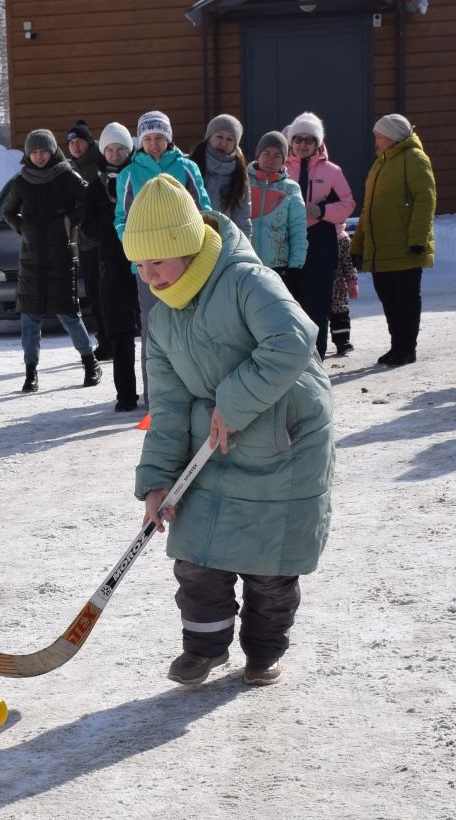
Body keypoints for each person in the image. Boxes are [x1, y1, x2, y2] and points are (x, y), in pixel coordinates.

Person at [121, 174, 332, 688]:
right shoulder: (164, 319)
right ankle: (205, 649)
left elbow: (294, 338)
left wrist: (232, 403)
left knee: (271, 569)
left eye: (157, 262)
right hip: (212, 448)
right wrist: (156, 482)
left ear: (187, 248)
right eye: (139, 264)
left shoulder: (243, 280)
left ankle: (263, 653)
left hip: (283, 444)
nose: (149, 276)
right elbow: (168, 407)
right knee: (197, 558)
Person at [116, 111, 212, 408]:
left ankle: (200, 393)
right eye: (148, 139)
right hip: (147, 269)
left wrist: (195, 250)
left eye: (159, 138)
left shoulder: (186, 168)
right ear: (140, 141)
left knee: (195, 329)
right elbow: (122, 219)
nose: (154, 144)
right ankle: (156, 399)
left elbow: (203, 212)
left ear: (168, 139)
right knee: (153, 331)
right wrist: (137, 252)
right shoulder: (129, 174)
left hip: (187, 266)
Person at [2, 129, 97, 394]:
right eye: (34, 152)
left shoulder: (66, 176)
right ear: (28, 154)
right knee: (30, 318)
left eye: (44, 151)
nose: (39, 156)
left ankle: (90, 363)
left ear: (53, 151)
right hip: (31, 258)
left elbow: (89, 201)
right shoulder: (21, 181)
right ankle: (30, 372)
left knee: (68, 314)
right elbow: (8, 211)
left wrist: (69, 221)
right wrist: (23, 228)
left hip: (62, 255)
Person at [351, 113, 435, 367]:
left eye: (380, 137)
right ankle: (396, 345)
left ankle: (407, 349)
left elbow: (426, 199)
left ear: (394, 137)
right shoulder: (380, 163)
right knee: (389, 299)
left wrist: (417, 239)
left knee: (406, 300)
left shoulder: (414, 159)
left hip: (406, 248)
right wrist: (359, 245)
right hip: (381, 249)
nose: (376, 143)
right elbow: (369, 209)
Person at [285, 112, 358, 358]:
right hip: (287, 243)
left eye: (309, 140)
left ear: (318, 143)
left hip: (320, 243)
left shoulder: (332, 171)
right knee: (290, 304)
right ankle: (292, 358)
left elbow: (348, 204)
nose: (303, 144)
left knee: (317, 307)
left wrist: (322, 210)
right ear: (291, 141)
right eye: (298, 139)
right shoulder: (280, 168)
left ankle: (316, 357)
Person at [83, 122, 143, 411]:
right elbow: (89, 231)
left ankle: (157, 393)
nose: (116, 154)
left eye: (121, 149)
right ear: (103, 151)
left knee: (154, 331)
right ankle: (126, 395)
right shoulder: (95, 188)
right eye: (110, 149)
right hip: (112, 266)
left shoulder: (140, 177)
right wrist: (114, 209)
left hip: (144, 260)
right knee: (120, 333)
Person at [66, 119, 109, 359]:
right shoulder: (71, 168)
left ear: (88, 142)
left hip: (99, 241)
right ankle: (104, 338)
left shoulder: (98, 166)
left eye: (79, 141)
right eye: (71, 143)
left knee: (103, 294)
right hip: (82, 241)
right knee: (94, 295)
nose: (75, 146)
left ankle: (108, 340)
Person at [247, 130, 308, 280]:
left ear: (283, 160)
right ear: (258, 155)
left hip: (279, 268)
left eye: (277, 155)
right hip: (246, 263)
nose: (270, 159)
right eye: (266, 153)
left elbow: (298, 232)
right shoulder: (242, 183)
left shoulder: (291, 189)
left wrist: (296, 267)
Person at [200, 114, 250, 232]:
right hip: (192, 236)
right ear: (209, 137)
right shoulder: (192, 164)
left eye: (230, 139)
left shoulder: (239, 172)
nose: (223, 143)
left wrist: (244, 247)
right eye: (219, 137)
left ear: (235, 144)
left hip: (223, 238)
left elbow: (242, 217)